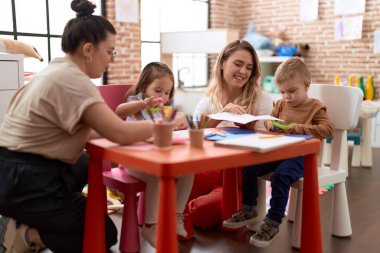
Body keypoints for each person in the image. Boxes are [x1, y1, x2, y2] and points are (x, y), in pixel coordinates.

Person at [0, 1, 153, 253]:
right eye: (110, 52)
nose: (111, 60)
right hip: (26, 180)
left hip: (11, 172)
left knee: (83, 163)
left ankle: (28, 217)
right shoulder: (74, 81)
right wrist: (166, 126)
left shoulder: (53, 70)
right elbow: (119, 133)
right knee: (103, 232)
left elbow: (94, 130)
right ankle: (23, 235)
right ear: (89, 49)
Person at [223, 57, 335, 248]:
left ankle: (273, 222)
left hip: (302, 157)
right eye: (283, 92)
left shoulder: (315, 107)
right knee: (249, 167)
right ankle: (249, 209)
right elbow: (268, 120)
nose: (286, 97)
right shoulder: (281, 104)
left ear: (306, 86)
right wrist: (271, 125)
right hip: (278, 151)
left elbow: (328, 129)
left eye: (291, 91)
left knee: (281, 176)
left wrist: (297, 128)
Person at [115, 62, 194, 248]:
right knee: (158, 176)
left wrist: (179, 121)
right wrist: (144, 103)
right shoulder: (136, 103)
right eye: (158, 90)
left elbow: (175, 124)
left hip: (154, 158)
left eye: (167, 93)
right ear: (144, 87)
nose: (163, 97)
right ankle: (151, 226)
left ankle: (176, 216)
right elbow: (119, 111)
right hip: (131, 162)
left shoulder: (163, 110)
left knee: (189, 171)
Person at [193, 39, 273, 130]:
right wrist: (221, 116)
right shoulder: (207, 103)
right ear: (222, 63)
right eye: (238, 64)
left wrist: (247, 127)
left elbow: (264, 138)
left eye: (249, 68)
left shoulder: (262, 99)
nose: (243, 71)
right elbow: (196, 129)